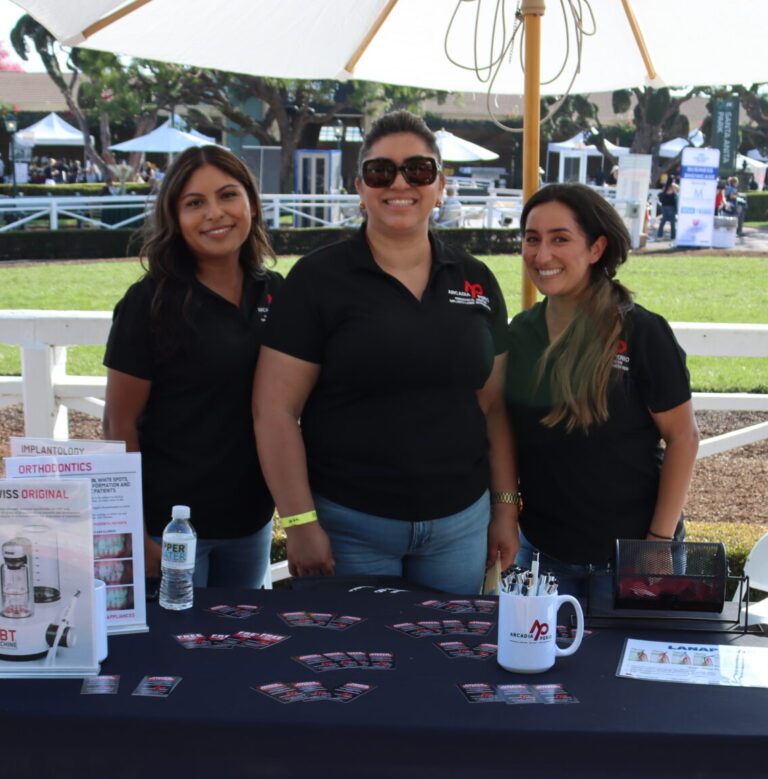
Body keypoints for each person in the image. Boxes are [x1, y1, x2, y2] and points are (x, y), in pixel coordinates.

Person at [252, 111, 518, 595]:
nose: (400, 182)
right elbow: (274, 409)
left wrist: (504, 507)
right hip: (349, 527)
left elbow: (494, 405)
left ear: (440, 186)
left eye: (419, 170)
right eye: (381, 171)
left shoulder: (476, 279)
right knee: (348, 666)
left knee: (446, 663)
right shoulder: (317, 280)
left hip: (460, 526)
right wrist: (298, 521)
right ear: (360, 186)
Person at [505, 182, 700, 600]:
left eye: (560, 239)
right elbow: (501, 428)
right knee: (539, 666)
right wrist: (504, 511)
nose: (542, 256)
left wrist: (658, 543)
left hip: (634, 557)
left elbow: (683, 437)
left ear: (596, 249)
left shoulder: (642, 332)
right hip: (542, 554)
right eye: (532, 239)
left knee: (633, 666)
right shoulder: (520, 334)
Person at [103, 144, 282, 588]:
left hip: (252, 522)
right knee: (176, 654)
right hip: (172, 529)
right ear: (174, 217)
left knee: (243, 649)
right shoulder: (149, 302)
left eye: (228, 195)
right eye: (194, 203)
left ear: (252, 204)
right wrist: (133, 529)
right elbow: (117, 422)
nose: (215, 213)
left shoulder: (276, 293)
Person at [656, 173, 679, 241]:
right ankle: (673, 236)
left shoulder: (665, 186)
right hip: (671, 206)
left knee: (663, 221)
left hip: (664, 206)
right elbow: (678, 188)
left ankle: (659, 235)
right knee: (672, 222)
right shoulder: (672, 186)